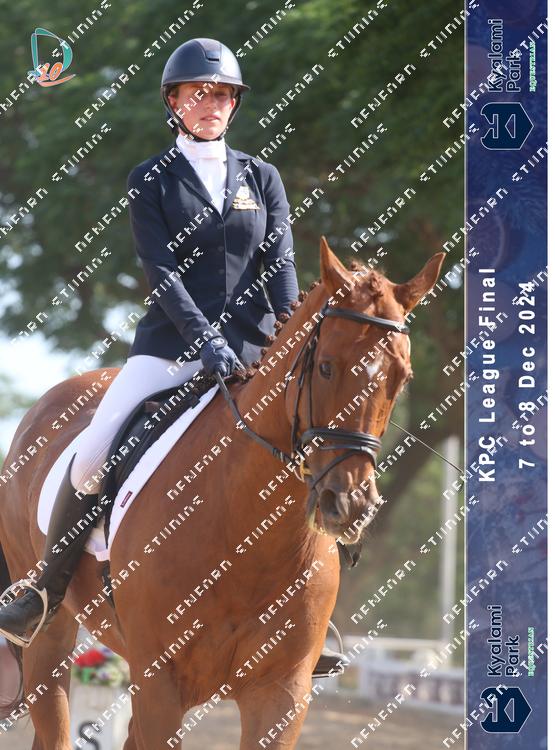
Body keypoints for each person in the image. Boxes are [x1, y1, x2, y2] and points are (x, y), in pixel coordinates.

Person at [0, 38, 342, 675]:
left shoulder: (261, 177)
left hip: (255, 351)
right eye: (199, 93)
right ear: (175, 102)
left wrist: (290, 339)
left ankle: (313, 613)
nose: (212, 104)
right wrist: (205, 340)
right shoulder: (151, 179)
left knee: (324, 445)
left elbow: (282, 269)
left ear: (234, 104)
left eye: (223, 95)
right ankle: (44, 589)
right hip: (171, 350)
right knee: (92, 457)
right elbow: (161, 272)